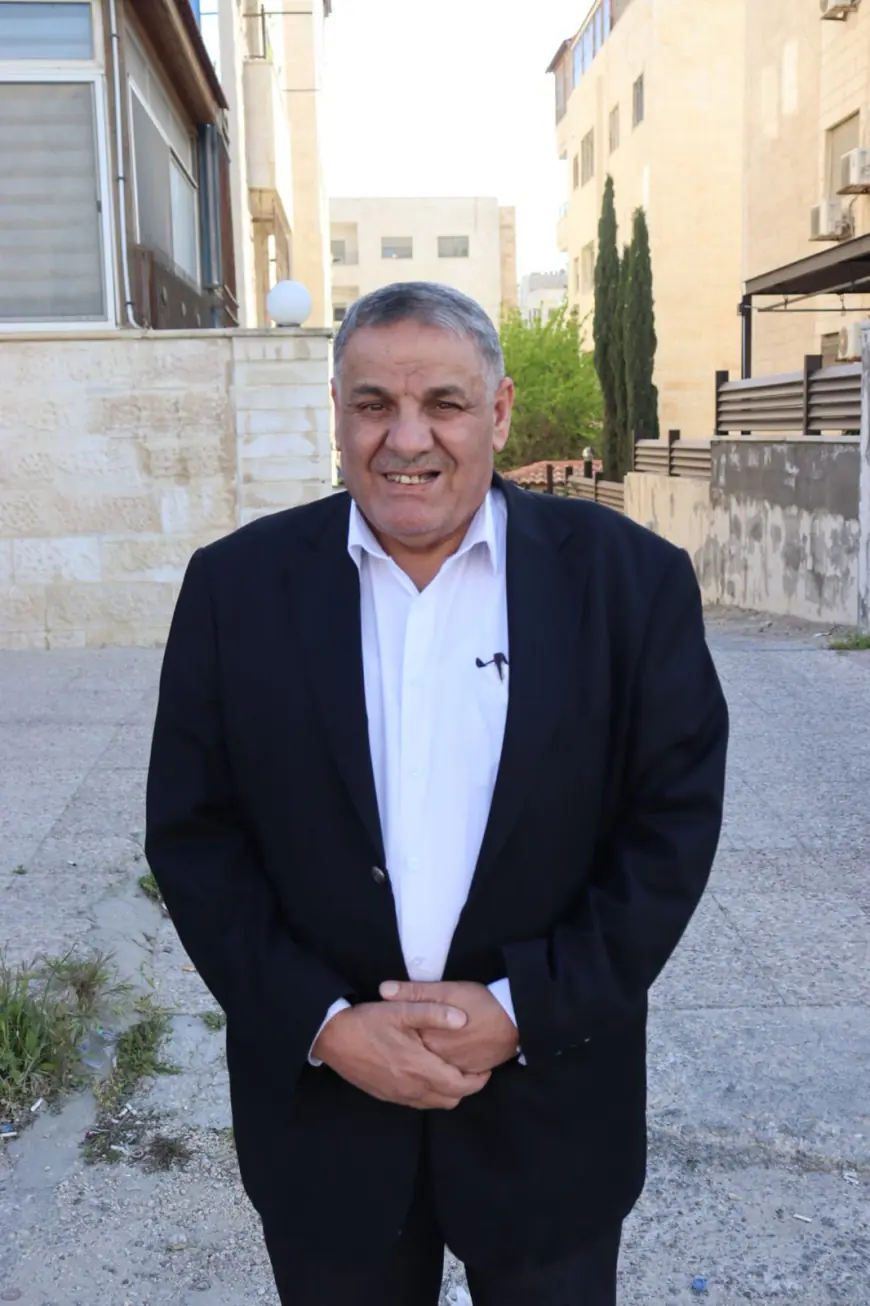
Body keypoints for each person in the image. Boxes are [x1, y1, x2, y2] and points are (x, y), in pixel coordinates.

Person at [145, 281, 729, 1306]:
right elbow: (195, 838)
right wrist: (324, 1024)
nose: (406, 438)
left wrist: (525, 1008)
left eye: (444, 404)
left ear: (497, 412)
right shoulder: (235, 588)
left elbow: (669, 826)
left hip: (552, 1112)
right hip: (326, 1119)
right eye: (373, 403)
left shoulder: (630, 583)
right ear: (337, 413)